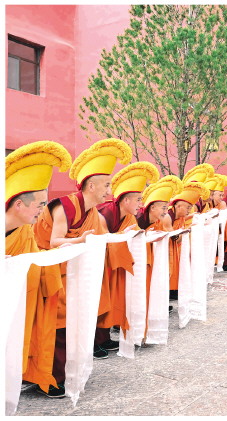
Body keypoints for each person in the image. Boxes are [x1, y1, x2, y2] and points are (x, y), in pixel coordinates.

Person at [33, 138, 132, 392]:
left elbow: (102, 237)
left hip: (71, 273)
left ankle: (66, 371)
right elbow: (55, 241)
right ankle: (50, 377)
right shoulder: (64, 206)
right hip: (47, 270)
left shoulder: (92, 213)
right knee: (57, 324)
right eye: (106, 185)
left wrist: (126, 235)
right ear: (91, 185)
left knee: (72, 321)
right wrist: (79, 240)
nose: (110, 191)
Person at [6, 141, 71, 398]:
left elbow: (34, 262)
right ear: (19, 205)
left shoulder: (25, 231)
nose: (43, 211)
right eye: (40, 205)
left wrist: (61, 255)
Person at [96, 161, 159, 332]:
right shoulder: (105, 214)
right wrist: (122, 237)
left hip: (115, 264)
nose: (141, 204)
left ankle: (110, 330)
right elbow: (103, 242)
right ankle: (99, 337)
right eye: (138, 200)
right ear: (125, 200)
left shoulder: (130, 217)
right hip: (100, 264)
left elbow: (137, 235)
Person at [136, 175, 183, 332]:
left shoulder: (158, 219)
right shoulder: (138, 219)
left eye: (166, 207)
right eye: (163, 208)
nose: (166, 211)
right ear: (152, 208)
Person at [167, 180, 210, 298]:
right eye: (188, 208)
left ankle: (174, 289)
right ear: (178, 206)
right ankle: (170, 291)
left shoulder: (180, 216)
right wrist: (188, 230)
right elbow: (173, 239)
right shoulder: (168, 216)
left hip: (176, 248)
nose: (188, 211)